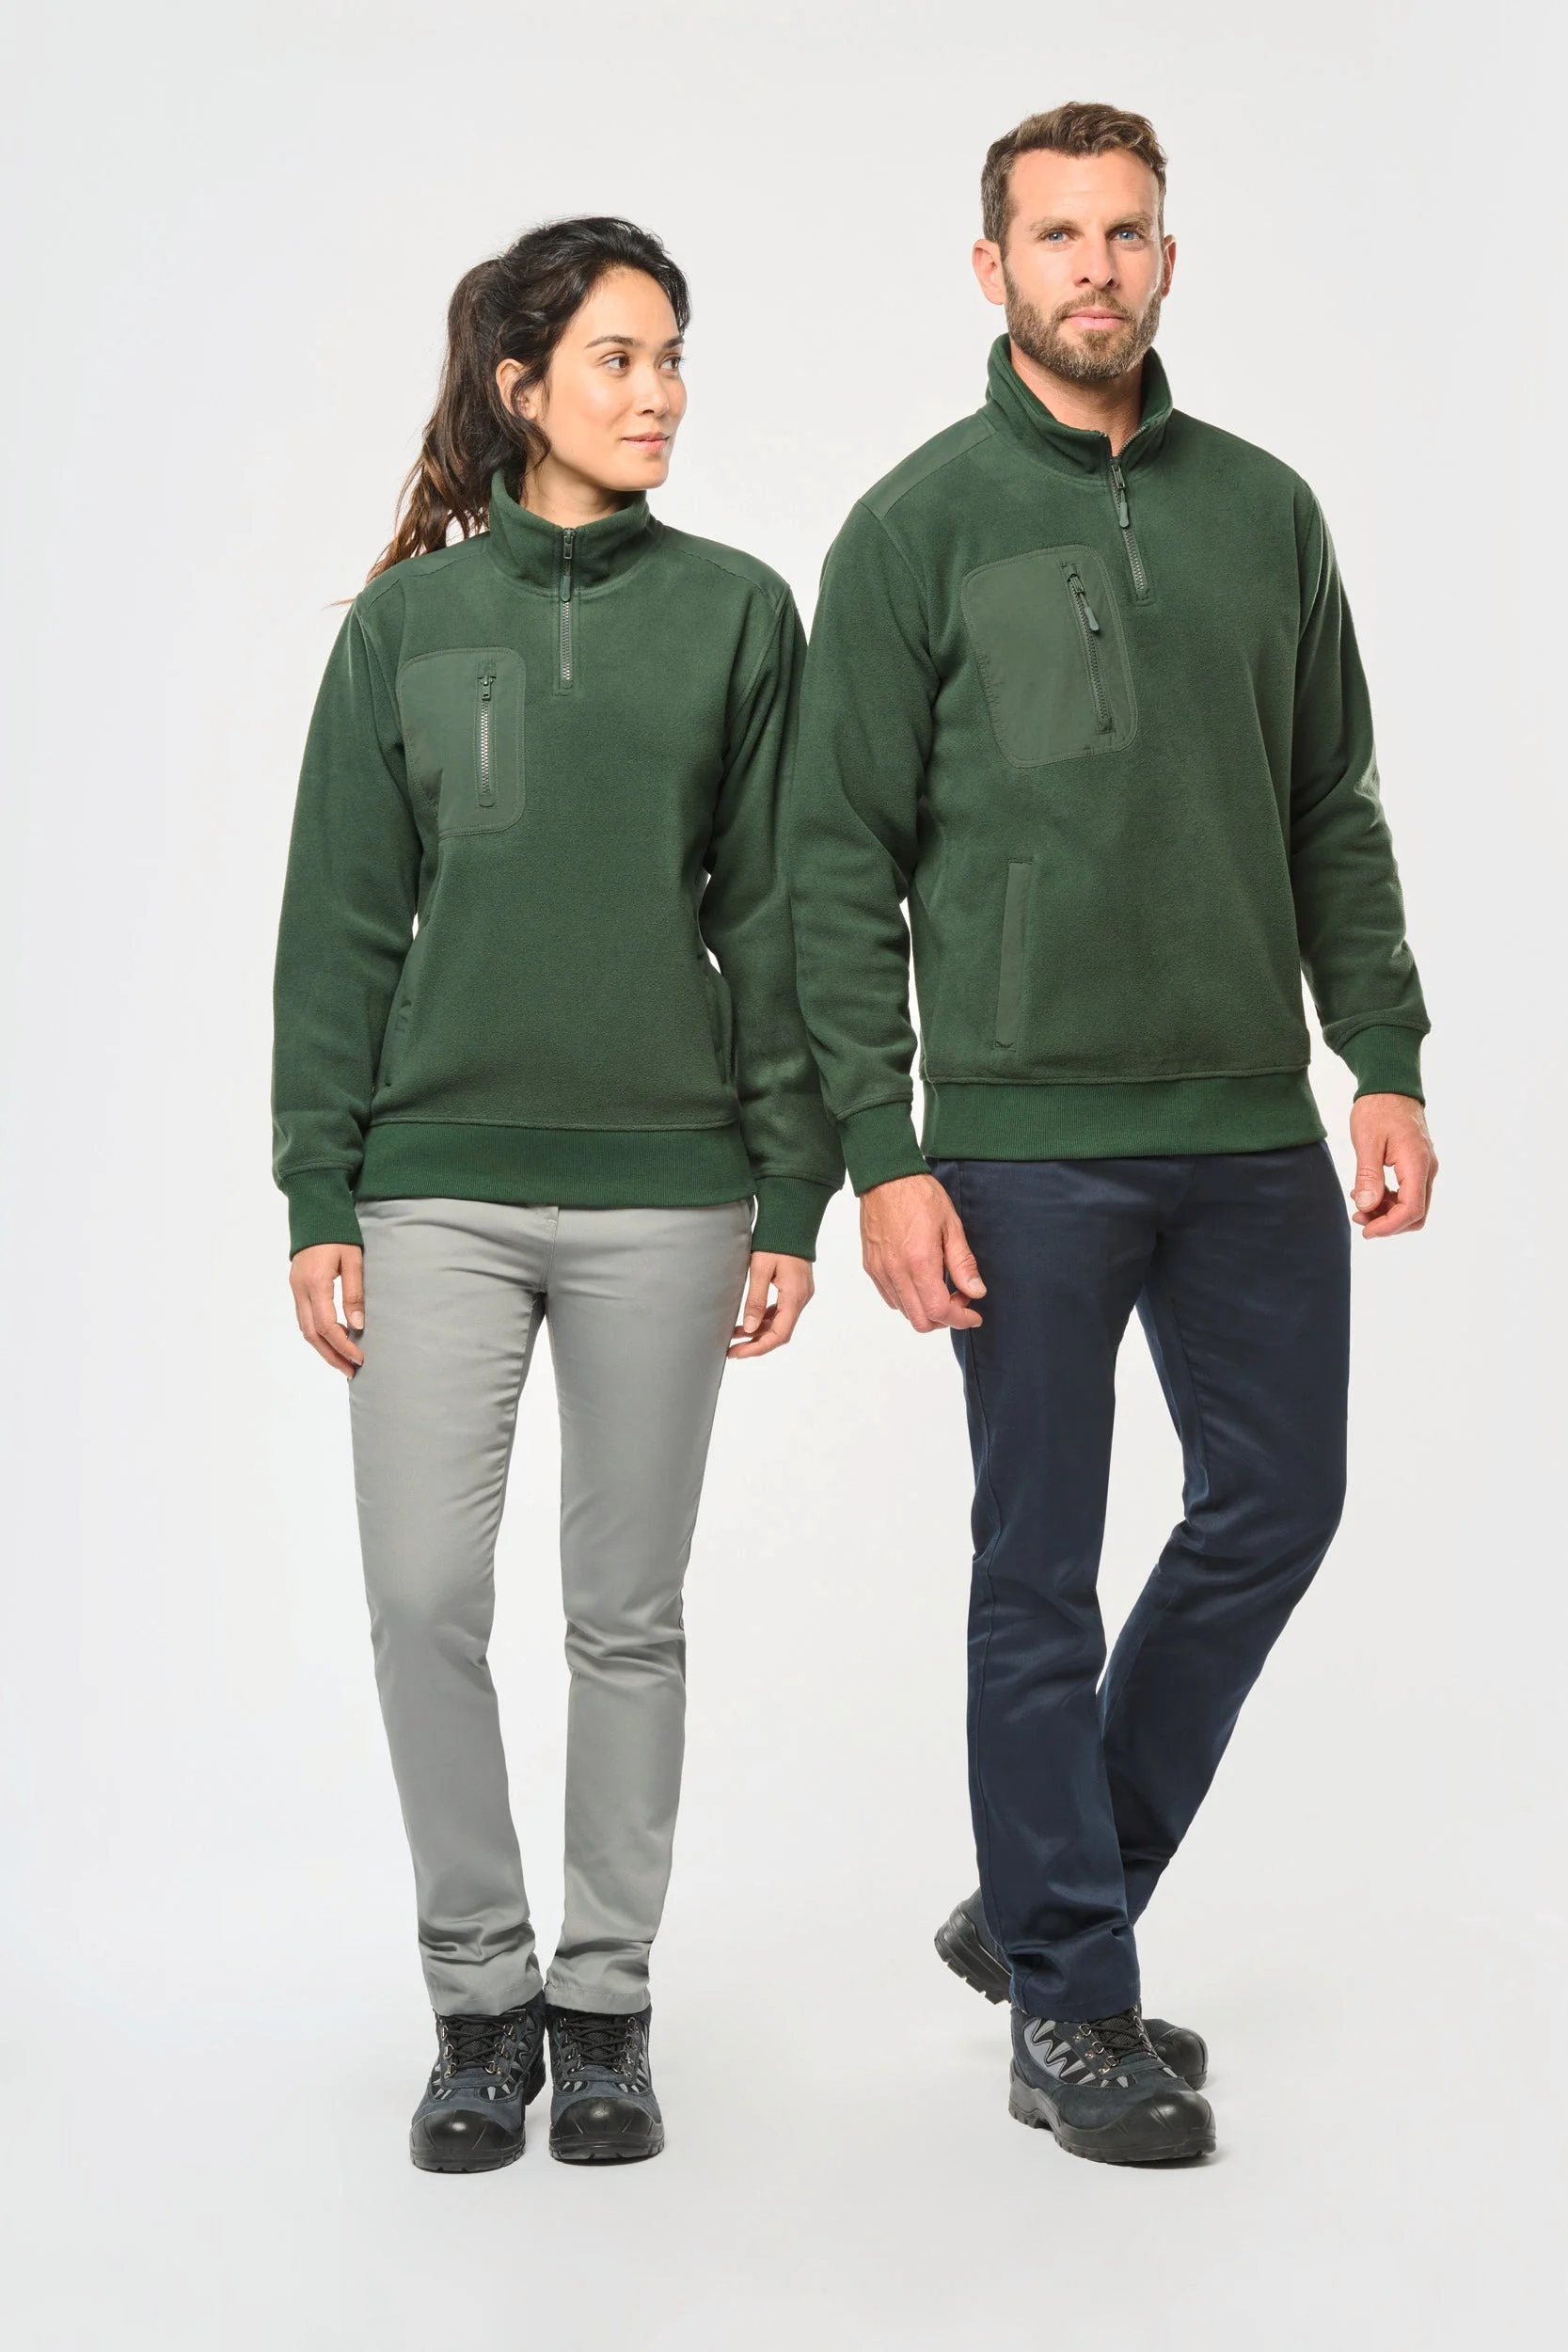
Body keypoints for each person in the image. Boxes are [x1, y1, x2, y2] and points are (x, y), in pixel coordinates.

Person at [789, 103, 1434, 2166]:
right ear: (990, 269)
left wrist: (1382, 1052)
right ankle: (1070, 2007)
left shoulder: (1264, 512)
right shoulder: (912, 528)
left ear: (1167, 256)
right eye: (1057, 235)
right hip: (1021, 1141)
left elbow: (1328, 799)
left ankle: (1045, 1895)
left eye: (1127, 232)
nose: (1096, 265)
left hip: (1247, 1122)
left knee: (1276, 1502)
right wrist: (880, 1150)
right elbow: (831, 861)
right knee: (1036, 1568)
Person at [272, 216, 840, 2173]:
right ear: (520, 388)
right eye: (617, 357)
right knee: (422, 1595)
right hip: (433, 1183)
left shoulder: (740, 615)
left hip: (668, 1185)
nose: (659, 391)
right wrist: (318, 1187)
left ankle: (602, 2005)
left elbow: (777, 915)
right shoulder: (403, 632)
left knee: (623, 1612)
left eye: (671, 355)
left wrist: (793, 1190)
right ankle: (475, 1997)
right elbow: (339, 927)